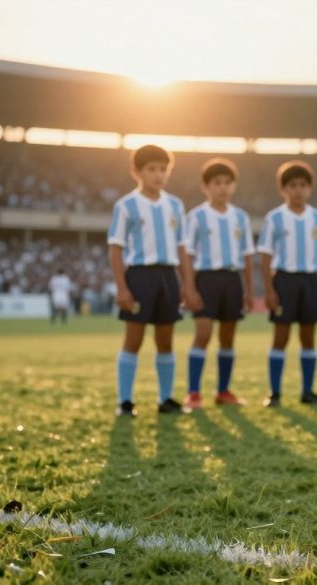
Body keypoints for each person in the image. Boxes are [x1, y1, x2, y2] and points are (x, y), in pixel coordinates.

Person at [107, 145, 196, 416]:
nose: (158, 175)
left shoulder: (175, 205)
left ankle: (166, 399)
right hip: (139, 276)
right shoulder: (126, 205)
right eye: (152, 169)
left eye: (163, 169)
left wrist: (188, 284)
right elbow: (116, 248)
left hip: (167, 276)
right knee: (134, 339)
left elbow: (182, 248)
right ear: (137, 172)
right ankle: (125, 401)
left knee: (165, 339)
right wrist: (122, 287)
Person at [257, 161, 317, 407]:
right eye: (292, 186)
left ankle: (308, 391)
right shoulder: (275, 218)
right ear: (283, 189)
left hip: (310, 281)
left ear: (309, 189)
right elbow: (266, 256)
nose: (298, 191)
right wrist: (269, 290)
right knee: (280, 336)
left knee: (308, 337)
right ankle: (275, 393)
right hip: (284, 281)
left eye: (302, 185)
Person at [182, 158, 255, 409]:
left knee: (228, 338)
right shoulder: (196, 216)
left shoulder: (241, 217)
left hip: (232, 280)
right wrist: (189, 288)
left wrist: (248, 291)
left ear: (233, 186)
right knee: (202, 335)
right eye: (217, 183)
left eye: (227, 183)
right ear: (206, 187)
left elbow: (247, 256)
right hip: (206, 279)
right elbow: (188, 254)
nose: (222, 188)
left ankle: (223, 391)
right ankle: (193, 393)